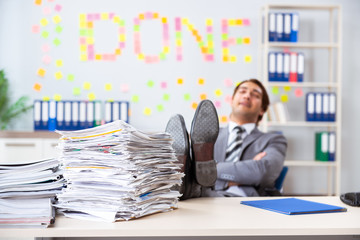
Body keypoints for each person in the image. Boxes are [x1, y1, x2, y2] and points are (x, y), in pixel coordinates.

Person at [166, 79, 287, 199]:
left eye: (255, 95)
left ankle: (185, 188)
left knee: (193, 188)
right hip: (205, 198)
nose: (247, 96)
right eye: (242, 91)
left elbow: (263, 172)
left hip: (246, 201)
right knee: (191, 183)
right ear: (232, 100)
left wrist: (207, 169)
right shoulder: (206, 137)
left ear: (262, 109)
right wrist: (243, 174)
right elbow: (192, 173)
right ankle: (181, 185)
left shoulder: (274, 139)